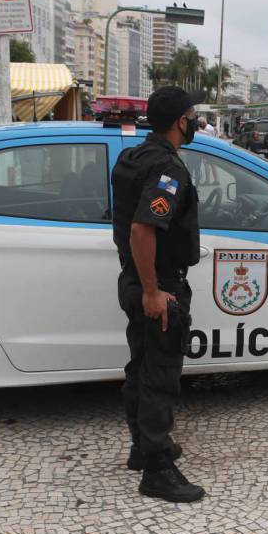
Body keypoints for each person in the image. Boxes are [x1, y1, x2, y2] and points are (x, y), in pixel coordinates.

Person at [111, 86, 206, 504]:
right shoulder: (169, 171)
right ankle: (157, 471)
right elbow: (142, 228)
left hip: (134, 277)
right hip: (158, 284)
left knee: (141, 366)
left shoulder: (133, 156)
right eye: (192, 115)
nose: (197, 122)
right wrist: (154, 291)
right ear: (179, 121)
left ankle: (143, 447)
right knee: (160, 376)